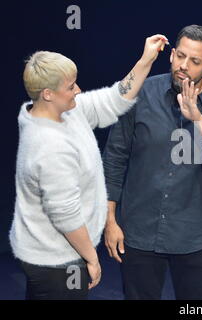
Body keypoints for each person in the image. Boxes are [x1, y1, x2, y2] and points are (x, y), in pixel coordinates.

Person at [9, 34, 169, 300]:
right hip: (55, 260)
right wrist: (91, 258)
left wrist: (145, 60)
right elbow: (66, 215)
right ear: (48, 94)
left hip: (58, 252)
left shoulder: (63, 111)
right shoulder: (48, 146)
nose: (79, 90)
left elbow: (113, 99)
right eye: (70, 86)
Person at [102, 25, 202, 300]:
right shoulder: (142, 93)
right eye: (180, 56)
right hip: (139, 230)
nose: (184, 66)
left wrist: (199, 120)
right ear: (171, 55)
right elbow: (114, 157)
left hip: (195, 235)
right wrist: (109, 220)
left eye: (194, 61)